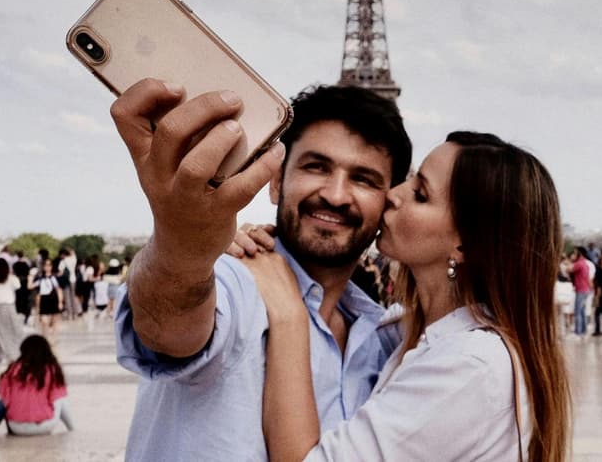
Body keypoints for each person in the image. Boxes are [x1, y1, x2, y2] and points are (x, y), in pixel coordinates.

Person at [111, 80, 412, 459]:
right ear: (275, 182)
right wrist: (182, 245)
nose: (335, 195)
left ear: (389, 204)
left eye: (363, 179)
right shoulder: (237, 278)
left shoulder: (386, 341)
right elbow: (167, 326)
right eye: (316, 166)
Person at [240, 131, 570, 460]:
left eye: (420, 194)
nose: (393, 194)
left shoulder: (468, 367)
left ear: (465, 244)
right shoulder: (413, 334)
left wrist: (288, 314)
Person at [0, 335, 74, 435]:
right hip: (45, 426)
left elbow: (4, 398)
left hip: (16, 427)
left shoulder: (13, 368)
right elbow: (56, 397)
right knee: (60, 398)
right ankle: (72, 428)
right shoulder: (51, 369)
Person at [0, 258, 25, 362]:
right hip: (9, 305)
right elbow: (17, 286)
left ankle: (0, 353)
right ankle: (14, 352)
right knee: (13, 329)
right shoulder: (12, 278)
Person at [35, 251, 64, 341]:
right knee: (44, 322)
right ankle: (45, 338)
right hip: (44, 300)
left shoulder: (55, 277)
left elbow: (59, 290)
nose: (47, 267)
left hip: (53, 299)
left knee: (55, 320)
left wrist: (60, 302)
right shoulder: (39, 278)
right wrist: (38, 306)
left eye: (49, 265)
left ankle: (54, 338)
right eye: (45, 265)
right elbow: (37, 292)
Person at [569, 248, 592, 338]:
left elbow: (569, 270)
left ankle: (577, 332)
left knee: (577, 311)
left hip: (581, 290)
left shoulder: (579, 263)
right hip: (585, 289)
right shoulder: (585, 263)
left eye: (574, 253)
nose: (573, 255)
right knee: (582, 311)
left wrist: (570, 261)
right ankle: (583, 330)